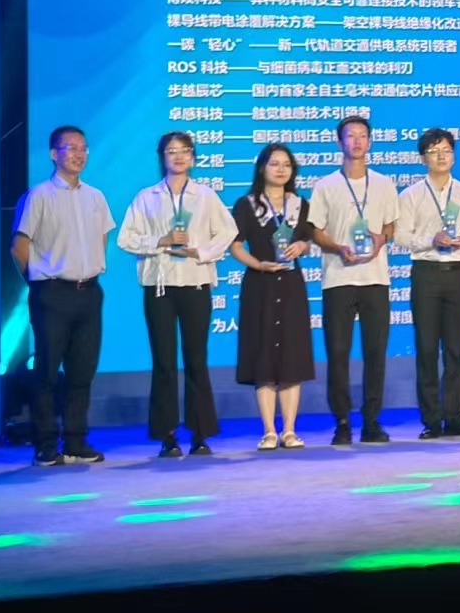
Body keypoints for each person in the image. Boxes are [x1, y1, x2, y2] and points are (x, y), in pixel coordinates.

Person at [117, 131, 237, 457]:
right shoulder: (147, 197)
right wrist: (160, 241)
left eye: (185, 151)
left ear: (193, 158)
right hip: (159, 287)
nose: (179, 156)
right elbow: (125, 239)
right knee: (164, 361)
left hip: (195, 284)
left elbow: (228, 231)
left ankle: (200, 433)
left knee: (197, 360)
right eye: (172, 151)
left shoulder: (205, 195)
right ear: (162, 157)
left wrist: (202, 252)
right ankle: (167, 435)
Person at [12, 126, 115, 466]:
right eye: (70, 147)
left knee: (82, 371)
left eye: (83, 148)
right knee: (46, 373)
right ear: (53, 154)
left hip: (89, 292)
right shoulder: (39, 195)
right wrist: (38, 284)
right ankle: (45, 444)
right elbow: (19, 246)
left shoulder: (95, 197)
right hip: (51, 293)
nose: (78, 154)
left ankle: (75, 441)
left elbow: (101, 241)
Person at [308, 116, 400, 445]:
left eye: (363, 136)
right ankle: (342, 421)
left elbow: (391, 225)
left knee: (376, 352)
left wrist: (381, 239)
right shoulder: (325, 185)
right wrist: (337, 247)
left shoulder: (384, 184)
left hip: (375, 278)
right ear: (340, 142)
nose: (357, 141)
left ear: (370, 142)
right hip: (338, 278)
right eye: (350, 136)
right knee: (338, 352)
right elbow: (316, 230)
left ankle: (372, 420)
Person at [398, 128, 460, 439]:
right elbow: (401, 237)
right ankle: (431, 421)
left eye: (446, 150)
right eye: (434, 152)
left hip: (458, 273)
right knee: (426, 349)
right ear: (423, 158)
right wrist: (430, 239)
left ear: (454, 156)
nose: (441, 156)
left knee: (455, 349)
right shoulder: (410, 195)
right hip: (426, 274)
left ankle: (455, 418)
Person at [229, 143, 317, 450]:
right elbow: (235, 245)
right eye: (274, 164)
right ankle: (268, 430)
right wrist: (258, 265)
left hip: (291, 286)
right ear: (261, 168)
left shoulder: (300, 204)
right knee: (263, 357)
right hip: (260, 285)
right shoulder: (246, 205)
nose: (281, 170)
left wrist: (303, 246)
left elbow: (307, 238)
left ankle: (289, 430)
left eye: (286, 165)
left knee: (292, 357)